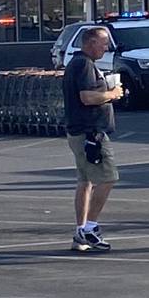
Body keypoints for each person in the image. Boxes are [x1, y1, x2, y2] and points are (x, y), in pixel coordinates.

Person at [63, 27, 125, 252]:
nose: (106, 47)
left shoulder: (79, 64)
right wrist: (112, 94)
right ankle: (89, 229)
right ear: (90, 43)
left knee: (86, 182)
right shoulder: (83, 64)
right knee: (108, 178)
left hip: (80, 131)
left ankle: (81, 230)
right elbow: (87, 97)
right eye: (104, 43)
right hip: (90, 133)